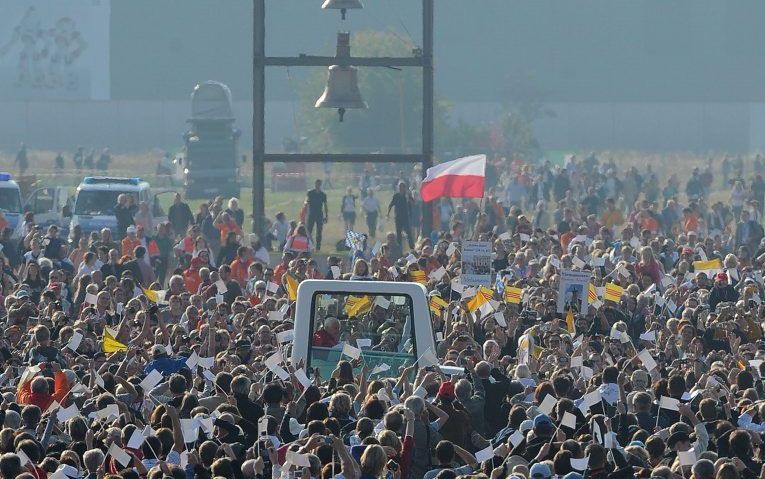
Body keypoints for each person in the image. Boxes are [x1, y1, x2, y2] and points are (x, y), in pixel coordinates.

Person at [388, 181, 415, 250]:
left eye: (403, 187)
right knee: (399, 233)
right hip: (398, 217)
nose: (401, 188)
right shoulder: (396, 196)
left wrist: (409, 198)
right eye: (400, 187)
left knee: (408, 232)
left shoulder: (407, 195)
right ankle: (399, 248)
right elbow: (391, 205)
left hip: (405, 217)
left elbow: (413, 203)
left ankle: (412, 247)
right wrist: (388, 214)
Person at [306, 179, 328, 251]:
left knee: (319, 231)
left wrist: (326, 215)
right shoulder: (310, 193)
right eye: (317, 184)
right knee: (309, 230)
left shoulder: (323, 195)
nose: (317, 186)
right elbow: (307, 203)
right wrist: (307, 213)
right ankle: (308, 245)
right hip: (312, 213)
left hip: (319, 214)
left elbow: (325, 205)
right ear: (315, 184)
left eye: (319, 184)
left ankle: (318, 247)